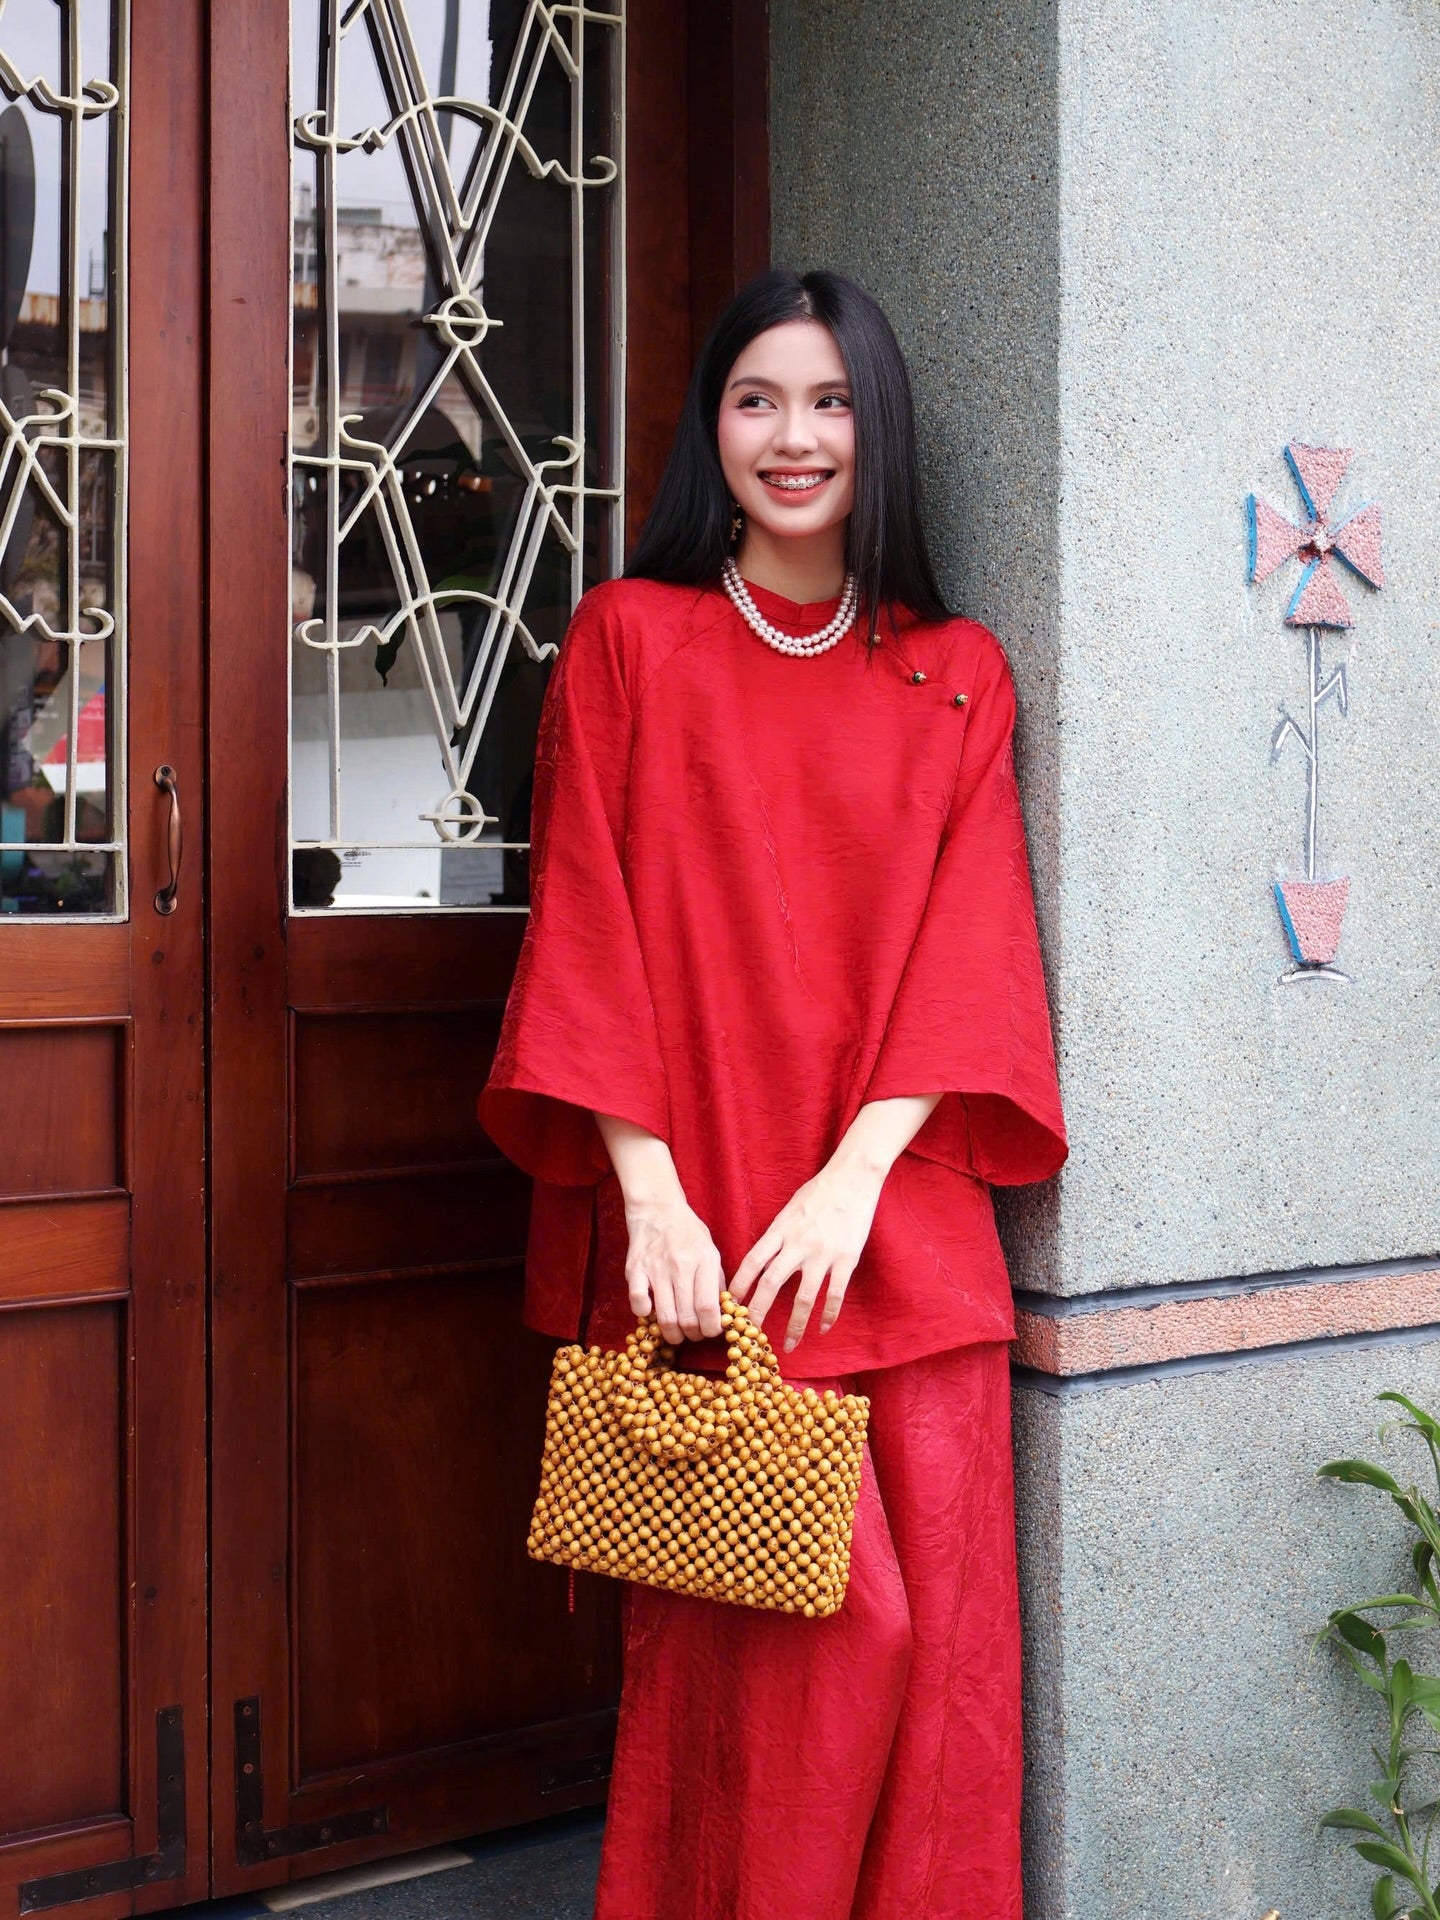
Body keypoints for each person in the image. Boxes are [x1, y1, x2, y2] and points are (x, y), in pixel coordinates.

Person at [478, 268, 1067, 1920]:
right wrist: (650, 1196)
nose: (794, 437)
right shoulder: (630, 641)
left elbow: (973, 951)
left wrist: (860, 1174)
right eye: (758, 401)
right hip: (705, 1236)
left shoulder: (956, 669)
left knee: (935, 1677)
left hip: (896, 1230)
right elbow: (588, 922)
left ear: (878, 433)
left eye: (830, 403)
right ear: (709, 429)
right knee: (781, 1662)